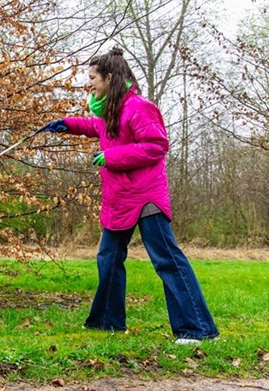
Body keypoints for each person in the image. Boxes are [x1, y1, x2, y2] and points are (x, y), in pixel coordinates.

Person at [42, 48, 219, 345]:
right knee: (108, 258)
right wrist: (68, 124)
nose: (89, 84)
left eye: (93, 78)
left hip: (145, 198)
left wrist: (112, 157)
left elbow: (156, 145)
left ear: (110, 78)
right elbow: (99, 128)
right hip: (119, 199)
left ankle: (197, 329)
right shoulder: (111, 109)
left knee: (166, 260)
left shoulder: (139, 107)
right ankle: (106, 323)